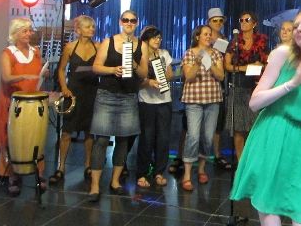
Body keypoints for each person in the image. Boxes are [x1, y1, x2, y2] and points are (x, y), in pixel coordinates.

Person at [230, 10, 301, 226]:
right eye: (297, 25)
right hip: (271, 133)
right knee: (269, 208)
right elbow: (255, 103)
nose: (299, 29)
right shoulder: (282, 54)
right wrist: (290, 84)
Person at [87, 10, 148, 201]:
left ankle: (115, 181)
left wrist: (134, 64)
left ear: (137, 23)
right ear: (120, 22)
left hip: (128, 96)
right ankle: (95, 185)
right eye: (126, 20)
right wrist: (113, 69)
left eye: (133, 20)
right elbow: (96, 67)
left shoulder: (142, 45)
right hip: (107, 94)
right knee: (101, 140)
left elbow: (144, 73)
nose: (129, 23)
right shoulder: (109, 41)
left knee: (123, 140)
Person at [0, 18, 47, 196]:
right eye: (25, 31)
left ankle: (39, 172)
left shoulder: (35, 52)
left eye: (30, 30)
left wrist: (43, 73)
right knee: (11, 139)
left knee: (35, 136)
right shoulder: (8, 53)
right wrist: (24, 76)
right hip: (13, 101)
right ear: (15, 33)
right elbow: (6, 77)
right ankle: (12, 175)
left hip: (32, 101)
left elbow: (38, 74)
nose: (29, 34)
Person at [49, 15, 100, 185]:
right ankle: (61, 166)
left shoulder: (98, 46)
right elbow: (61, 69)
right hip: (73, 91)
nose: (91, 29)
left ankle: (88, 165)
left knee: (89, 132)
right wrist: (64, 88)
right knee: (66, 132)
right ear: (78, 30)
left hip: (92, 92)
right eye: (88, 27)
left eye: (93, 27)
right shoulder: (70, 47)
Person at [180, 24, 225, 191]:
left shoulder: (216, 54)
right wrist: (198, 62)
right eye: (205, 34)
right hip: (194, 100)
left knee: (207, 137)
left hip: (213, 100)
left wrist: (209, 62)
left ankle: (201, 169)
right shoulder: (189, 53)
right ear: (197, 37)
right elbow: (189, 77)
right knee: (193, 136)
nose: (208, 36)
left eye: (210, 34)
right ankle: (187, 174)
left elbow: (221, 76)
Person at [225, 11, 269, 161]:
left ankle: (252, 160)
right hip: (238, 86)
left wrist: (259, 66)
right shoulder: (234, 43)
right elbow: (227, 65)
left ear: (254, 23)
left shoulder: (262, 41)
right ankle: (240, 162)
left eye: (247, 19)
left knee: (253, 126)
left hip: (255, 88)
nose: (243, 22)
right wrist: (245, 68)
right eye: (241, 20)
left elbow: (267, 63)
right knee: (238, 128)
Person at [135, 26, 173, 188]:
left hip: (164, 100)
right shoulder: (140, 56)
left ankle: (159, 172)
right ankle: (142, 173)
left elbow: (170, 74)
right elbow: (136, 81)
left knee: (163, 139)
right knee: (146, 138)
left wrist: (162, 76)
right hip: (146, 101)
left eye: (159, 37)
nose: (158, 40)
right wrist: (149, 82)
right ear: (146, 40)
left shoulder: (164, 53)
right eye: (154, 38)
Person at [208, 7, 232, 171]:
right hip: (200, 82)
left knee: (218, 123)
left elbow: (224, 62)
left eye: (220, 20)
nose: (218, 23)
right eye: (214, 20)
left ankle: (217, 155)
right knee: (190, 126)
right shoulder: (202, 36)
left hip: (219, 83)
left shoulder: (224, 39)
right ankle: (182, 157)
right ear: (209, 22)